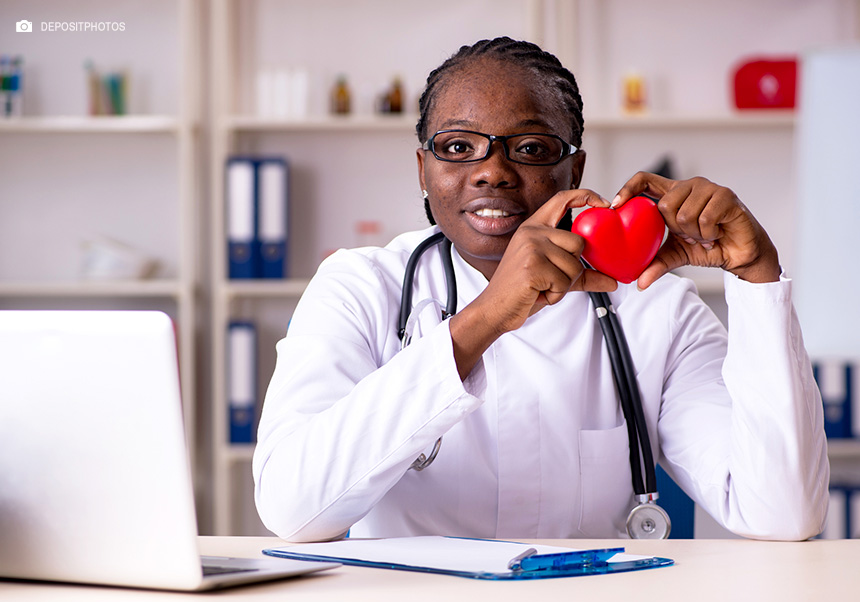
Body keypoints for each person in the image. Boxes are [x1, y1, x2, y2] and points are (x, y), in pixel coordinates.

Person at [253, 37, 829, 542]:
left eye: (529, 148)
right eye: (457, 147)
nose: (492, 171)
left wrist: (758, 279)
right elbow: (292, 508)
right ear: (423, 171)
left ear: (574, 173)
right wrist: (486, 319)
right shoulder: (360, 288)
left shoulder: (658, 309)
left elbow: (780, 513)